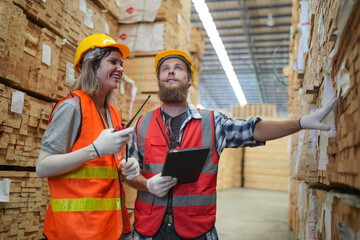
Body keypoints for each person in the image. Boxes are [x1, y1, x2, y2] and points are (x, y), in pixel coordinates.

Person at [125, 49, 338, 240]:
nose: (171, 72)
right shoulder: (142, 124)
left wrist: (300, 123)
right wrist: (146, 185)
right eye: (165, 69)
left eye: (178, 68)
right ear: (159, 79)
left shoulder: (212, 122)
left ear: (190, 79)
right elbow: (128, 174)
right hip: (149, 231)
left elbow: (253, 130)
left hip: (196, 230)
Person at [36, 34, 140, 240]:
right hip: (75, 231)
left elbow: (103, 166)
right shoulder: (71, 107)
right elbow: (43, 167)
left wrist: (125, 167)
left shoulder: (113, 113)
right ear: (92, 65)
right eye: (112, 61)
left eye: (121, 63)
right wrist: (95, 149)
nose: (120, 68)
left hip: (111, 227)